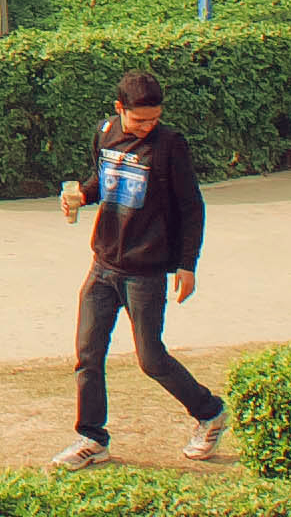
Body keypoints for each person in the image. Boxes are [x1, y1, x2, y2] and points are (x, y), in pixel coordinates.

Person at [49, 71, 225, 469]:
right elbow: (105, 179)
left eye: (154, 119)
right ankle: (92, 438)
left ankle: (210, 412)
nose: (147, 127)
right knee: (88, 355)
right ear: (119, 109)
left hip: (145, 271)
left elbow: (191, 206)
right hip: (103, 264)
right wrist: (82, 194)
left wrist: (187, 264)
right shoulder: (106, 132)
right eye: (139, 120)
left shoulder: (170, 146)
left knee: (151, 358)